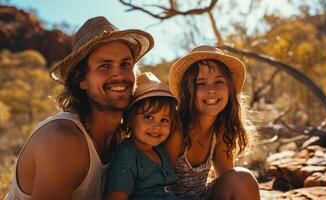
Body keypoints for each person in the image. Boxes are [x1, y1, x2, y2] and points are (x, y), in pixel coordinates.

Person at [5, 16, 154, 200]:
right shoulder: (61, 140)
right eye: (105, 66)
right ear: (81, 80)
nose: (119, 74)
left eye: (125, 64)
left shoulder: (122, 138)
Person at [166, 45, 260, 200]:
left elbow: (227, 178)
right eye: (201, 83)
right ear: (188, 90)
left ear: (229, 88)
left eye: (219, 82)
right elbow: (157, 184)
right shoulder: (177, 129)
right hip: (164, 197)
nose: (211, 90)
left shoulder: (220, 129)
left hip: (202, 196)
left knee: (243, 179)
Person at [105, 72, 180, 200]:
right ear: (129, 119)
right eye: (148, 117)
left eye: (164, 120)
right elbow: (117, 195)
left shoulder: (161, 151)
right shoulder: (128, 153)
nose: (157, 126)